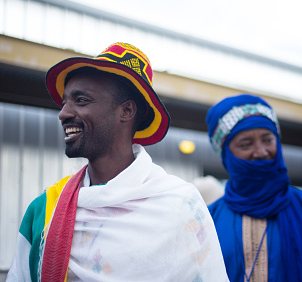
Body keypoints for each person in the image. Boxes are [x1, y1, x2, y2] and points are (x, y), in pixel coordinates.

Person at [7, 42, 228, 281]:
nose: (64, 113)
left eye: (81, 100)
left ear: (127, 111)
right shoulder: (44, 210)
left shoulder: (181, 204)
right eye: (64, 103)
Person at [205, 94, 302, 282]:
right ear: (226, 154)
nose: (261, 151)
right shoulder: (210, 220)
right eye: (246, 144)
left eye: (268, 140)